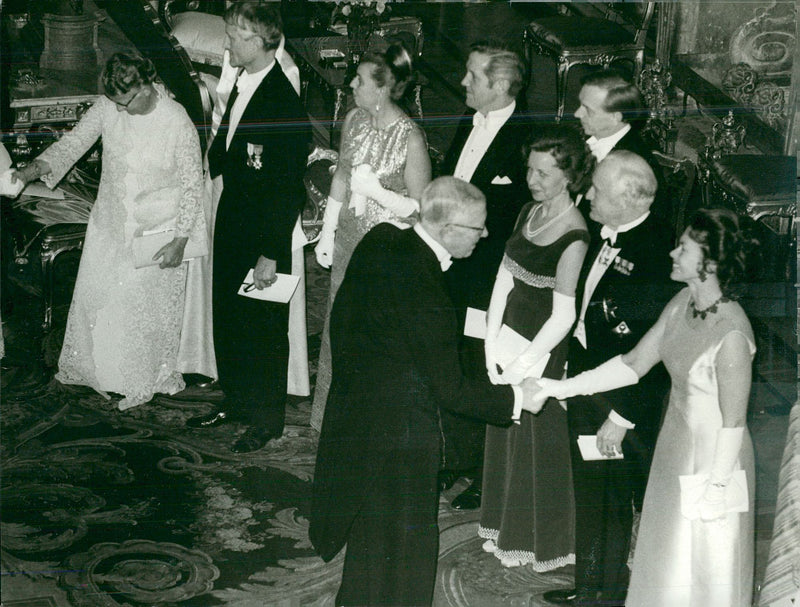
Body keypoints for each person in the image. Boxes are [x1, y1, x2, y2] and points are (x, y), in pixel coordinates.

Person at [310, 176, 544, 606]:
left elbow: (342, 324)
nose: (486, 234)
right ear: (445, 229)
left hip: (358, 412)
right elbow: (451, 390)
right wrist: (516, 398)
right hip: (402, 433)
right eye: (478, 227)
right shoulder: (425, 291)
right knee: (409, 544)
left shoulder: (381, 240)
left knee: (372, 532)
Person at [537, 208, 758, 607]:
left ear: (708, 264)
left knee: (704, 565)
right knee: (666, 552)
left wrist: (717, 490)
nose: (673, 254)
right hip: (674, 445)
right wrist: (562, 386)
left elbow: (734, 422)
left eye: (684, 248)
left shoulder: (732, 336)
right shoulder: (682, 301)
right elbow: (633, 363)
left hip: (714, 461)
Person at [11, 53, 210, 411]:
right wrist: (29, 171)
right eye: (116, 102)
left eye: (127, 102)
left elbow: (192, 185)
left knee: (139, 306)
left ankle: (140, 377)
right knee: (103, 297)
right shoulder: (107, 108)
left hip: (157, 227)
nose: (121, 110)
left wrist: (180, 240)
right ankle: (104, 374)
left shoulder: (175, 120)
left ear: (146, 85)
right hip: (110, 219)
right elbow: (73, 144)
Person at [541, 150, 675, 606]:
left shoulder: (658, 255)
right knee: (590, 489)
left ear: (630, 198)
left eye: (597, 190)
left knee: (614, 497)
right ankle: (591, 583)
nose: (586, 195)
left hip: (621, 398)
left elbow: (656, 355)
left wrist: (622, 416)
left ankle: (611, 593)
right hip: (585, 377)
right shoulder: (602, 231)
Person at [186, 2, 311, 453]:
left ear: (258, 43)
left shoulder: (283, 103)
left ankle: (266, 419)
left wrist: (271, 251)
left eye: (235, 38)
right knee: (231, 317)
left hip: (265, 235)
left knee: (263, 327)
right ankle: (237, 401)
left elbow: (287, 189)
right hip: (235, 219)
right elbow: (230, 144)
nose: (226, 44)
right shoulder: (243, 81)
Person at [478, 125, 593, 570]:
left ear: (569, 177)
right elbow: (504, 277)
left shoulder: (575, 236)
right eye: (530, 169)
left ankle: (534, 540)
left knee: (533, 441)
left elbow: (563, 316)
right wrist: (490, 343)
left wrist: (525, 365)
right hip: (508, 337)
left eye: (544, 173)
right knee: (503, 429)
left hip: (543, 348)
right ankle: (503, 526)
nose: (533, 180)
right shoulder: (528, 210)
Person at [309, 43, 431, 432]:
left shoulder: (411, 138)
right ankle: (332, 419)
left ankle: (367, 424)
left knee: (373, 335)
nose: (350, 85)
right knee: (339, 327)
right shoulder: (355, 120)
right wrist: (327, 231)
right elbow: (342, 174)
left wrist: (377, 192)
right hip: (347, 242)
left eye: (358, 80)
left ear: (381, 89)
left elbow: (421, 210)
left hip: (386, 252)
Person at [438, 40, 531, 510]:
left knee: (481, 367)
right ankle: (455, 456)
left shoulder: (524, 138)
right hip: (453, 268)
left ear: (499, 85)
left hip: (489, 280)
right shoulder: (467, 122)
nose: (462, 82)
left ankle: (482, 470)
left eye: (472, 76)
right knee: (449, 360)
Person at [573, 69, 667, 226]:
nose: (577, 114)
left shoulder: (634, 162)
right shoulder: (584, 138)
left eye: (587, 109)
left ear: (615, 117)